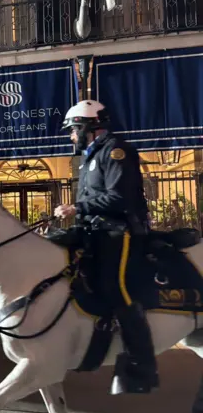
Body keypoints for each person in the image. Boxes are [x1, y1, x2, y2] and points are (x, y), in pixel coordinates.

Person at [54, 99, 157, 395]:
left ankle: (141, 366)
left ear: (88, 127)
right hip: (95, 230)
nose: (71, 136)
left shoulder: (116, 152)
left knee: (117, 288)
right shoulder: (91, 157)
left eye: (73, 130)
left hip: (120, 232)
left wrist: (76, 207)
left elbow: (119, 199)